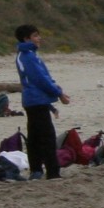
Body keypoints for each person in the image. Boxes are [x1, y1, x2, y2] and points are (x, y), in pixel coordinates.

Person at [15, 24, 71, 180]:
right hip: (35, 100)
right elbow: (40, 79)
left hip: (33, 100)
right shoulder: (28, 56)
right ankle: (52, 172)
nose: (39, 38)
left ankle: (36, 170)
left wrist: (56, 91)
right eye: (35, 35)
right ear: (26, 39)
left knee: (34, 136)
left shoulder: (29, 55)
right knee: (47, 137)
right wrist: (58, 93)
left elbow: (44, 77)